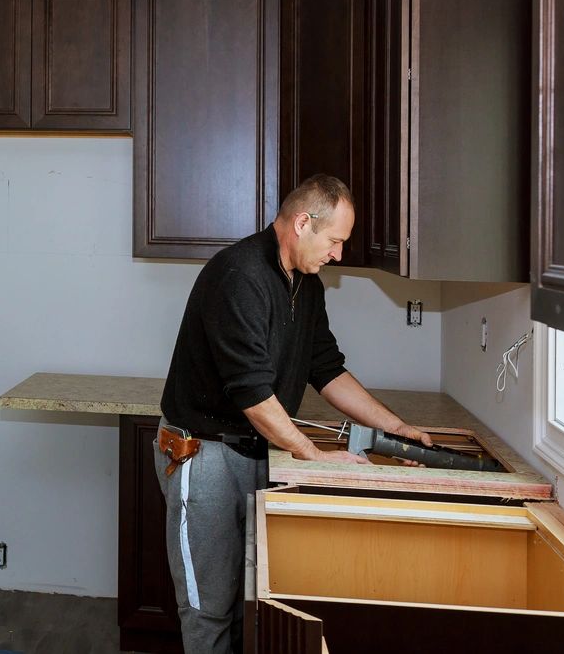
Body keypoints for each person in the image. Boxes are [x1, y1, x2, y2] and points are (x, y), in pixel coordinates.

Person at [154, 174, 433, 654]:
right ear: (303, 223)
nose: (338, 255)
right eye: (335, 241)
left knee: (251, 605)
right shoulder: (238, 276)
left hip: (259, 451)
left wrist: (396, 426)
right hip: (203, 457)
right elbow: (251, 392)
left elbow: (325, 369)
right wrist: (310, 453)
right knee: (208, 609)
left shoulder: (306, 284)